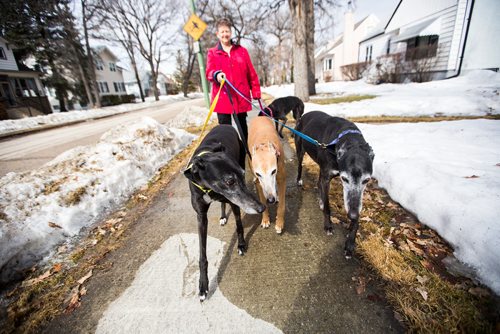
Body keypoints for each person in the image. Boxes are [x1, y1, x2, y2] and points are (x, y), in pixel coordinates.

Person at [206, 18, 261, 142]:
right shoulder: (212, 53)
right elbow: (209, 72)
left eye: (227, 31)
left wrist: (256, 91)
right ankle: (229, 155)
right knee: (225, 132)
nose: (225, 34)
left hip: (240, 97)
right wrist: (216, 75)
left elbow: (251, 73)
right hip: (222, 99)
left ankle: (246, 154)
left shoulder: (241, 51)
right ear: (217, 34)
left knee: (243, 130)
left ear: (231, 33)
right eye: (222, 32)